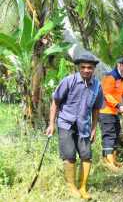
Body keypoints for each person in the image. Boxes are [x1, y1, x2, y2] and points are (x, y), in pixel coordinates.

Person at [45, 52, 103, 199]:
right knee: (69, 156)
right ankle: (71, 186)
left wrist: (94, 128)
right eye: (83, 67)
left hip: (84, 125)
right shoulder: (68, 81)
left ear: (94, 69)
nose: (86, 70)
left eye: (89, 67)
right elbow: (55, 102)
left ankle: (83, 187)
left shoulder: (97, 86)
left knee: (86, 156)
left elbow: (96, 109)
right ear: (78, 67)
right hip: (66, 123)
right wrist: (51, 124)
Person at [99, 57, 123, 171]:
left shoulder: (121, 78)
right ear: (119, 65)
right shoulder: (110, 77)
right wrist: (119, 106)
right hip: (106, 111)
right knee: (109, 136)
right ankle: (109, 162)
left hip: (114, 112)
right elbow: (106, 94)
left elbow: (121, 91)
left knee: (116, 134)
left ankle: (112, 159)